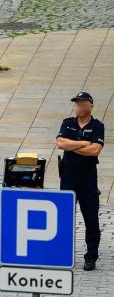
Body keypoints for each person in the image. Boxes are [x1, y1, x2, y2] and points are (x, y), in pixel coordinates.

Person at [56, 92, 104, 271]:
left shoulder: (98, 126)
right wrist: (84, 143)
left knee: (91, 218)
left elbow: (95, 151)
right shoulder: (68, 123)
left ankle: (91, 256)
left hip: (88, 178)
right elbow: (61, 144)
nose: (79, 107)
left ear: (90, 106)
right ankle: (60, 253)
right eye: (77, 104)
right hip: (68, 176)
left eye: (82, 104)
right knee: (64, 216)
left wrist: (73, 145)